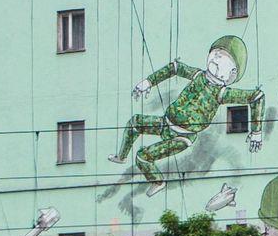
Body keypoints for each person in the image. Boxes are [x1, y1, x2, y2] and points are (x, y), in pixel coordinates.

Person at [111, 36, 266, 194]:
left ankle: (157, 182)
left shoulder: (222, 93)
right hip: (165, 123)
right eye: (215, 52)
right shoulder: (198, 75)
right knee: (135, 122)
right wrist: (149, 82)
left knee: (143, 157)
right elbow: (176, 68)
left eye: (223, 57)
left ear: (232, 74)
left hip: (182, 137)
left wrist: (256, 132)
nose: (217, 57)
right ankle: (121, 156)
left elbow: (256, 97)